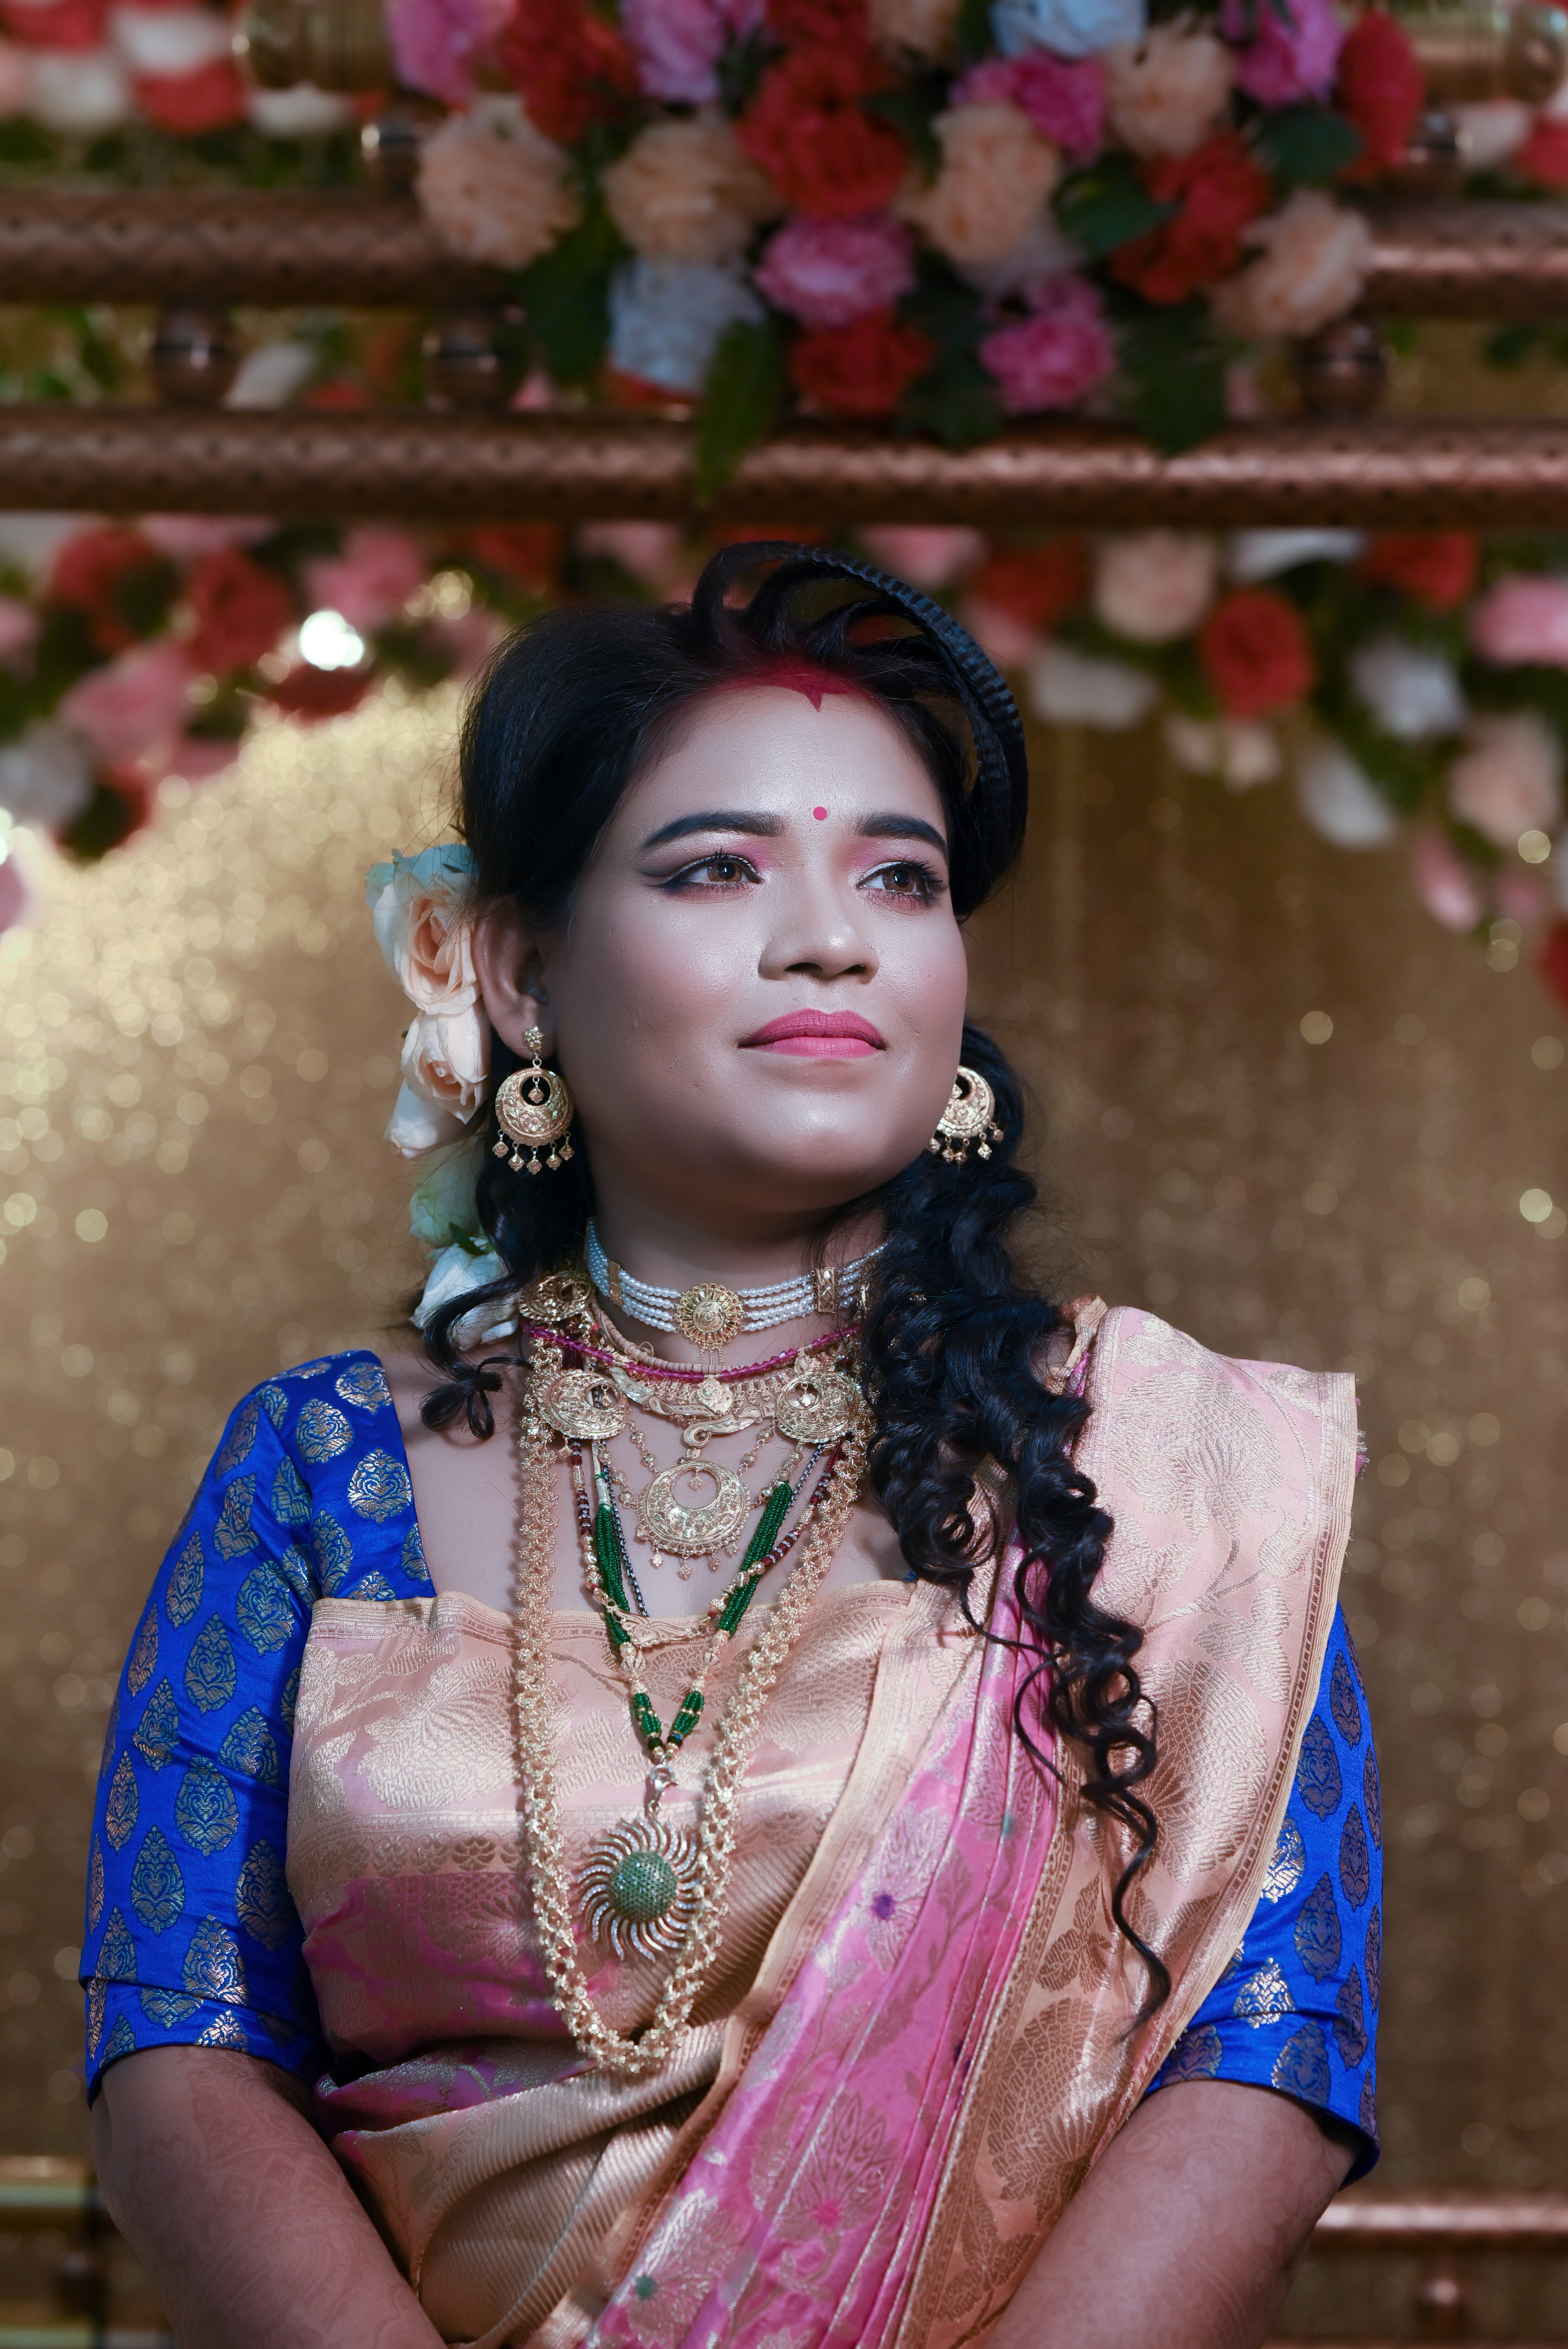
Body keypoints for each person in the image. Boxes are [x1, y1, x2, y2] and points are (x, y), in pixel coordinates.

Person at [81, 543, 1379, 2349]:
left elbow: (1269, 2042)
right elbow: (179, 2037)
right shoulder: (322, 1465)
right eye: (715, 868)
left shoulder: (1158, 1477)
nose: (831, 932)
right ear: (522, 974)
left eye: (898, 877)